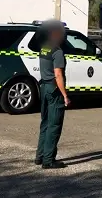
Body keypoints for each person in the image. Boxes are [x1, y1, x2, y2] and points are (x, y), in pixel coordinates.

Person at [34, 19, 69, 169]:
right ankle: (48, 160)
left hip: (44, 87)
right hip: (54, 90)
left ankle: (40, 156)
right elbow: (58, 74)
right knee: (54, 125)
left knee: (45, 123)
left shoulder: (44, 48)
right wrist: (65, 95)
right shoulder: (57, 51)